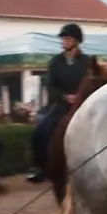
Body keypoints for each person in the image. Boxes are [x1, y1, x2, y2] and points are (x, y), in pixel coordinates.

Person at [26, 23, 92, 183]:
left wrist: (79, 95)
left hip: (84, 104)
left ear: (77, 41)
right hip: (61, 104)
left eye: (67, 39)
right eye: (63, 39)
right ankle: (39, 167)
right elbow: (50, 85)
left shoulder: (88, 62)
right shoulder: (55, 62)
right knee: (41, 130)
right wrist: (64, 97)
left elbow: (91, 82)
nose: (64, 42)